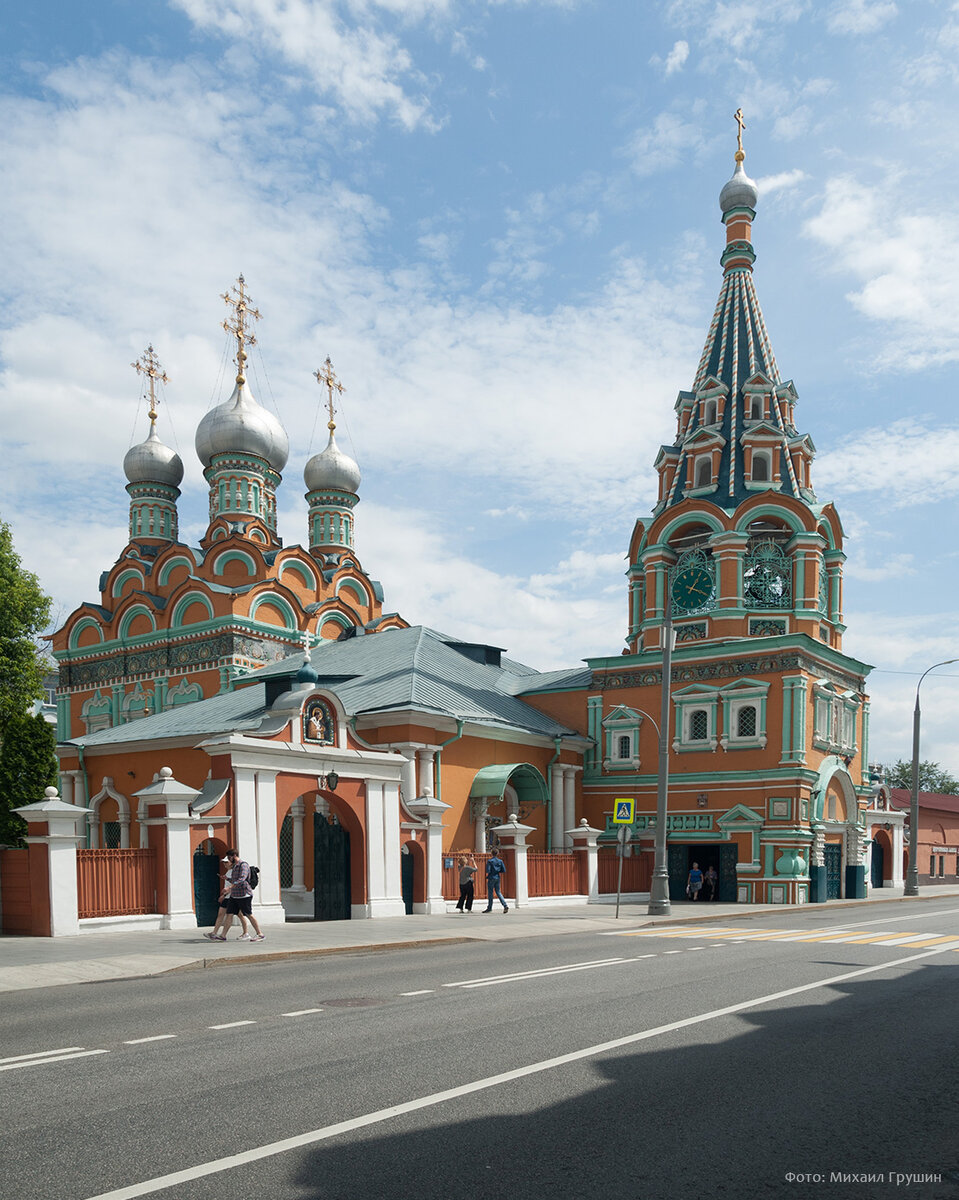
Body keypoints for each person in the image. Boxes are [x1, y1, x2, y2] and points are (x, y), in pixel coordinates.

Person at [220, 848, 265, 941]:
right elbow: (235, 880)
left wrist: (229, 888)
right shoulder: (235, 866)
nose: (228, 859)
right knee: (229, 914)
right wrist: (227, 879)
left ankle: (260, 934)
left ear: (234, 856)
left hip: (244, 894)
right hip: (235, 895)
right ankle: (223, 936)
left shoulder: (243, 865)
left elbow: (242, 879)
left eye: (229, 857)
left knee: (248, 914)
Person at [204, 856, 235, 941]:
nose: (225, 864)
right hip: (227, 897)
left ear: (231, 862)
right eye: (224, 862)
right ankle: (214, 933)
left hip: (232, 897)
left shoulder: (234, 872)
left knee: (233, 915)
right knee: (221, 914)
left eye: (226, 862)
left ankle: (249, 932)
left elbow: (233, 885)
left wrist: (224, 895)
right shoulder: (228, 871)